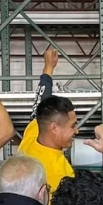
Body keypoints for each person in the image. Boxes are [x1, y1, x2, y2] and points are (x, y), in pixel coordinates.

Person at [17, 48, 78, 192]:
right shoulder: (57, 175)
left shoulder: (33, 135)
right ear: (54, 128)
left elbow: (42, 103)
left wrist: (48, 68)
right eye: (72, 126)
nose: (77, 130)